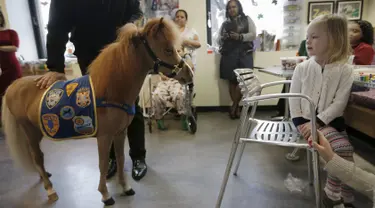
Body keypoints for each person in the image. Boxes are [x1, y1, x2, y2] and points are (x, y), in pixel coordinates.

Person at [34, 0, 148, 181]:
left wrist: (131, 22)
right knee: (100, 107)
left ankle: (138, 157)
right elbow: (57, 26)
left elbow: (136, 11)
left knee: (130, 103)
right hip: (89, 52)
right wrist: (55, 67)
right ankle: (110, 158)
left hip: (123, 50)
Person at [289, 14, 355, 207]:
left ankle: (342, 195)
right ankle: (334, 196)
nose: (307, 41)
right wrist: (306, 124)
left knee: (345, 154)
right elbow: (294, 102)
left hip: (330, 123)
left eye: (315, 36)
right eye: (307, 36)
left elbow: (339, 103)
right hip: (304, 123)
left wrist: (318, 121)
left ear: (334, 39)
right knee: (343, 149)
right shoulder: (302, 68)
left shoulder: (345, 69)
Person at [309, 131, 375, 207]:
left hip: (331, 124)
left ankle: (339, 195)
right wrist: (331, 158)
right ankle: (334, 195)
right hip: (314, 123)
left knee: (343, 147)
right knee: (342, 147)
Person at [218, 0, 256, 119]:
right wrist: (223, 37)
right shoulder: (225, 23)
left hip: (244, 54)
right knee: (231, 81)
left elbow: (253, 34)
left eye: (234, 7)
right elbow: (218, 40)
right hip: (229, 55)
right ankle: (236, 107)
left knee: (242, 81)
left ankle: (234, 105)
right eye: (229, 8)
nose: (232, 9)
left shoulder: (247, 19)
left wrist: (240, 37)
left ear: (239, 7)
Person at [152, 47, 193, 131]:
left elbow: (191, 68)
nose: (176, 53)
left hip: (177, 82)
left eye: (179, 51)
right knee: (156, 96)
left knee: (179, 95)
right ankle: (159, 120)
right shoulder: (166, 60)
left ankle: (184, 118)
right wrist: (161, 74)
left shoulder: (184, 61)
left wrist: (186, 55)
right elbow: (158, 69)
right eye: (175, 51)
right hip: (164, 82)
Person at [0, 11, 21, 125]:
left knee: (14, 93)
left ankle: (18, 119)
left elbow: (14, 48)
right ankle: (5, 122)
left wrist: (1, 48)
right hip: (2, 68)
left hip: (13, 67)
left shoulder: (11, 32)